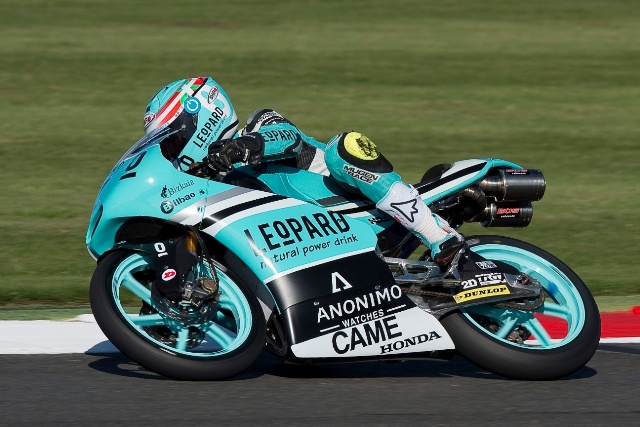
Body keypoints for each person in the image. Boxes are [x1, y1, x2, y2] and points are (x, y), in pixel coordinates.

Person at [143, 76, 464, 266]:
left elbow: (289, 138)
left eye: (172, 141)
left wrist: (239, 149)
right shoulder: (213, 187)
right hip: (313, 247)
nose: (172, 151)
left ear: (202, 117)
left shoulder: (259, 124)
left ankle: (438, 235)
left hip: (362, 211)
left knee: (344, 146)